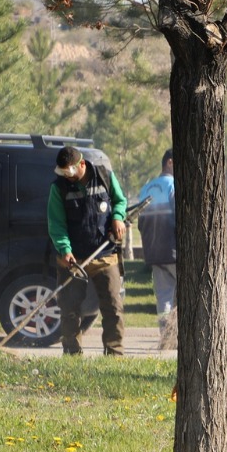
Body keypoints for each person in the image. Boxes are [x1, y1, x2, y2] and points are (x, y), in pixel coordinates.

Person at [48, 145, 128, 356]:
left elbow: (120, 201)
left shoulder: (105, 177)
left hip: (104, 255)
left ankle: (114, 353)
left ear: (81, 164)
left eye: (70, 172)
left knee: (113, 307)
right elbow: (56, 224)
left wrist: (118, 217)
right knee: (69, 309)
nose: (67, 176)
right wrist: (65, 250)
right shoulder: (58, 189)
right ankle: (72, 353)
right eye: (63, 173)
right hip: (73, 260)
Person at [137, 149, 177, 349]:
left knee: (164, 297)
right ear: (170, 162)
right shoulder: (173, 186)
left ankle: (166, 339)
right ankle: (182, 338)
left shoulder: (145, 188)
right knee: (183, 296)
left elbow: (139, 222)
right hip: (174, 251)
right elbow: (181, 219)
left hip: (153, 252)